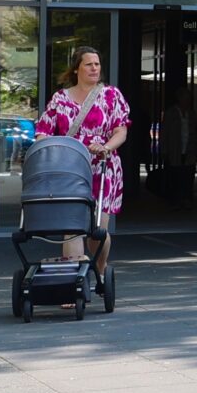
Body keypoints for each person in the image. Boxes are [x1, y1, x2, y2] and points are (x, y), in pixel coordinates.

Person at [42, 47, 129, 273]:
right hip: (70, 167)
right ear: (76, 68)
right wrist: (49, 150)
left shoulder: (111, 95)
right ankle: (73, 282)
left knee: (97, 229)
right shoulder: (60, 98)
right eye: (89, 64)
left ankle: (100, 267)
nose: (94, 68)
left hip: (102, 165)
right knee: (72, 227)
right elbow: (43, 131)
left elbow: (121, 131)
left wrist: (105, 147)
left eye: (97, 64)